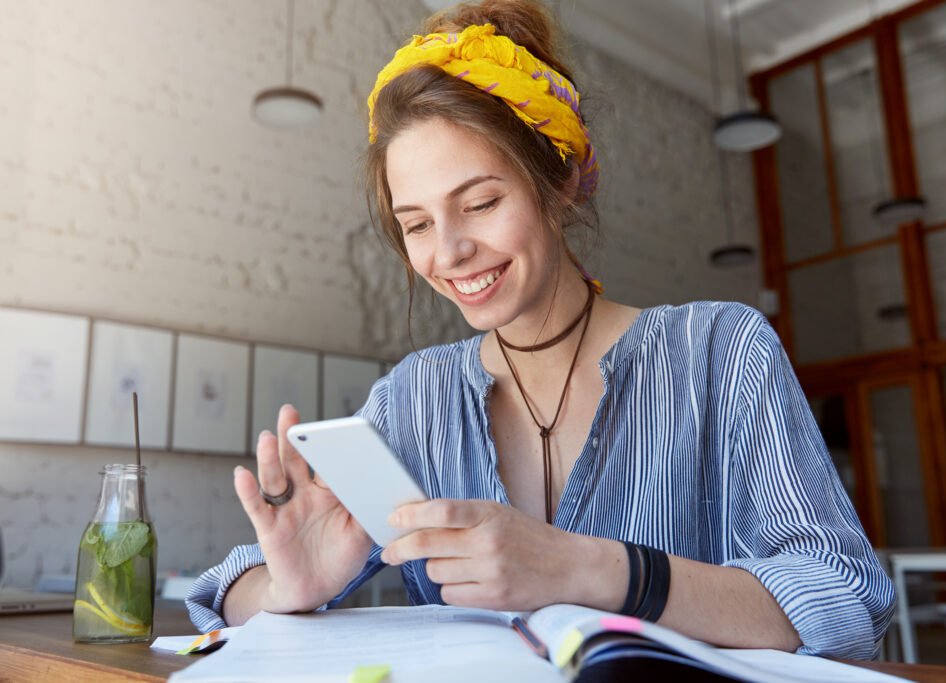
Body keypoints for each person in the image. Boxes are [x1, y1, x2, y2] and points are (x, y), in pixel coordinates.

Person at [187, 0, 894, 659]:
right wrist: (289, 590)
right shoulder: (412, 400)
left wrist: (591, 567)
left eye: (482, 201)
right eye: (417, 224)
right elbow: (224, 594)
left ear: (561, 181)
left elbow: (844, 598)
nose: (450, 251)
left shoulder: (720, 352)